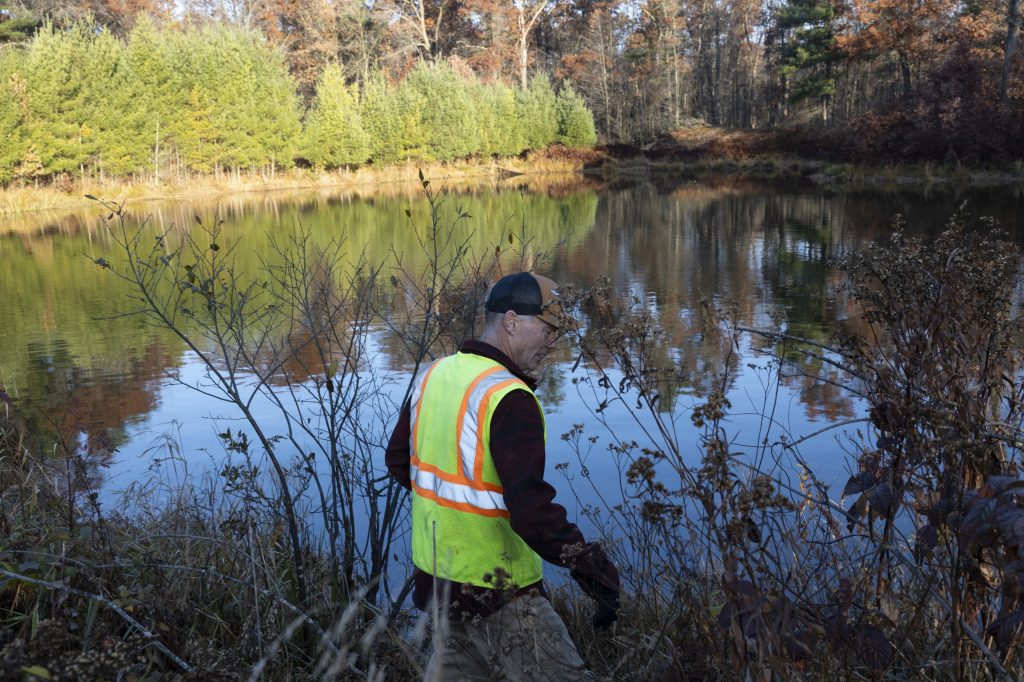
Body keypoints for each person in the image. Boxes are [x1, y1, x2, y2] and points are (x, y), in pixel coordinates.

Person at [385, 272, 620, 681]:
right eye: (547, 330)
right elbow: (530, 511)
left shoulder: (433, 375)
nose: (553, 343)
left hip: (440, 585)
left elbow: (397, 462)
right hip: (503, 596)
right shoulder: (509, 397)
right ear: (511, 321)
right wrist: (591, 566)